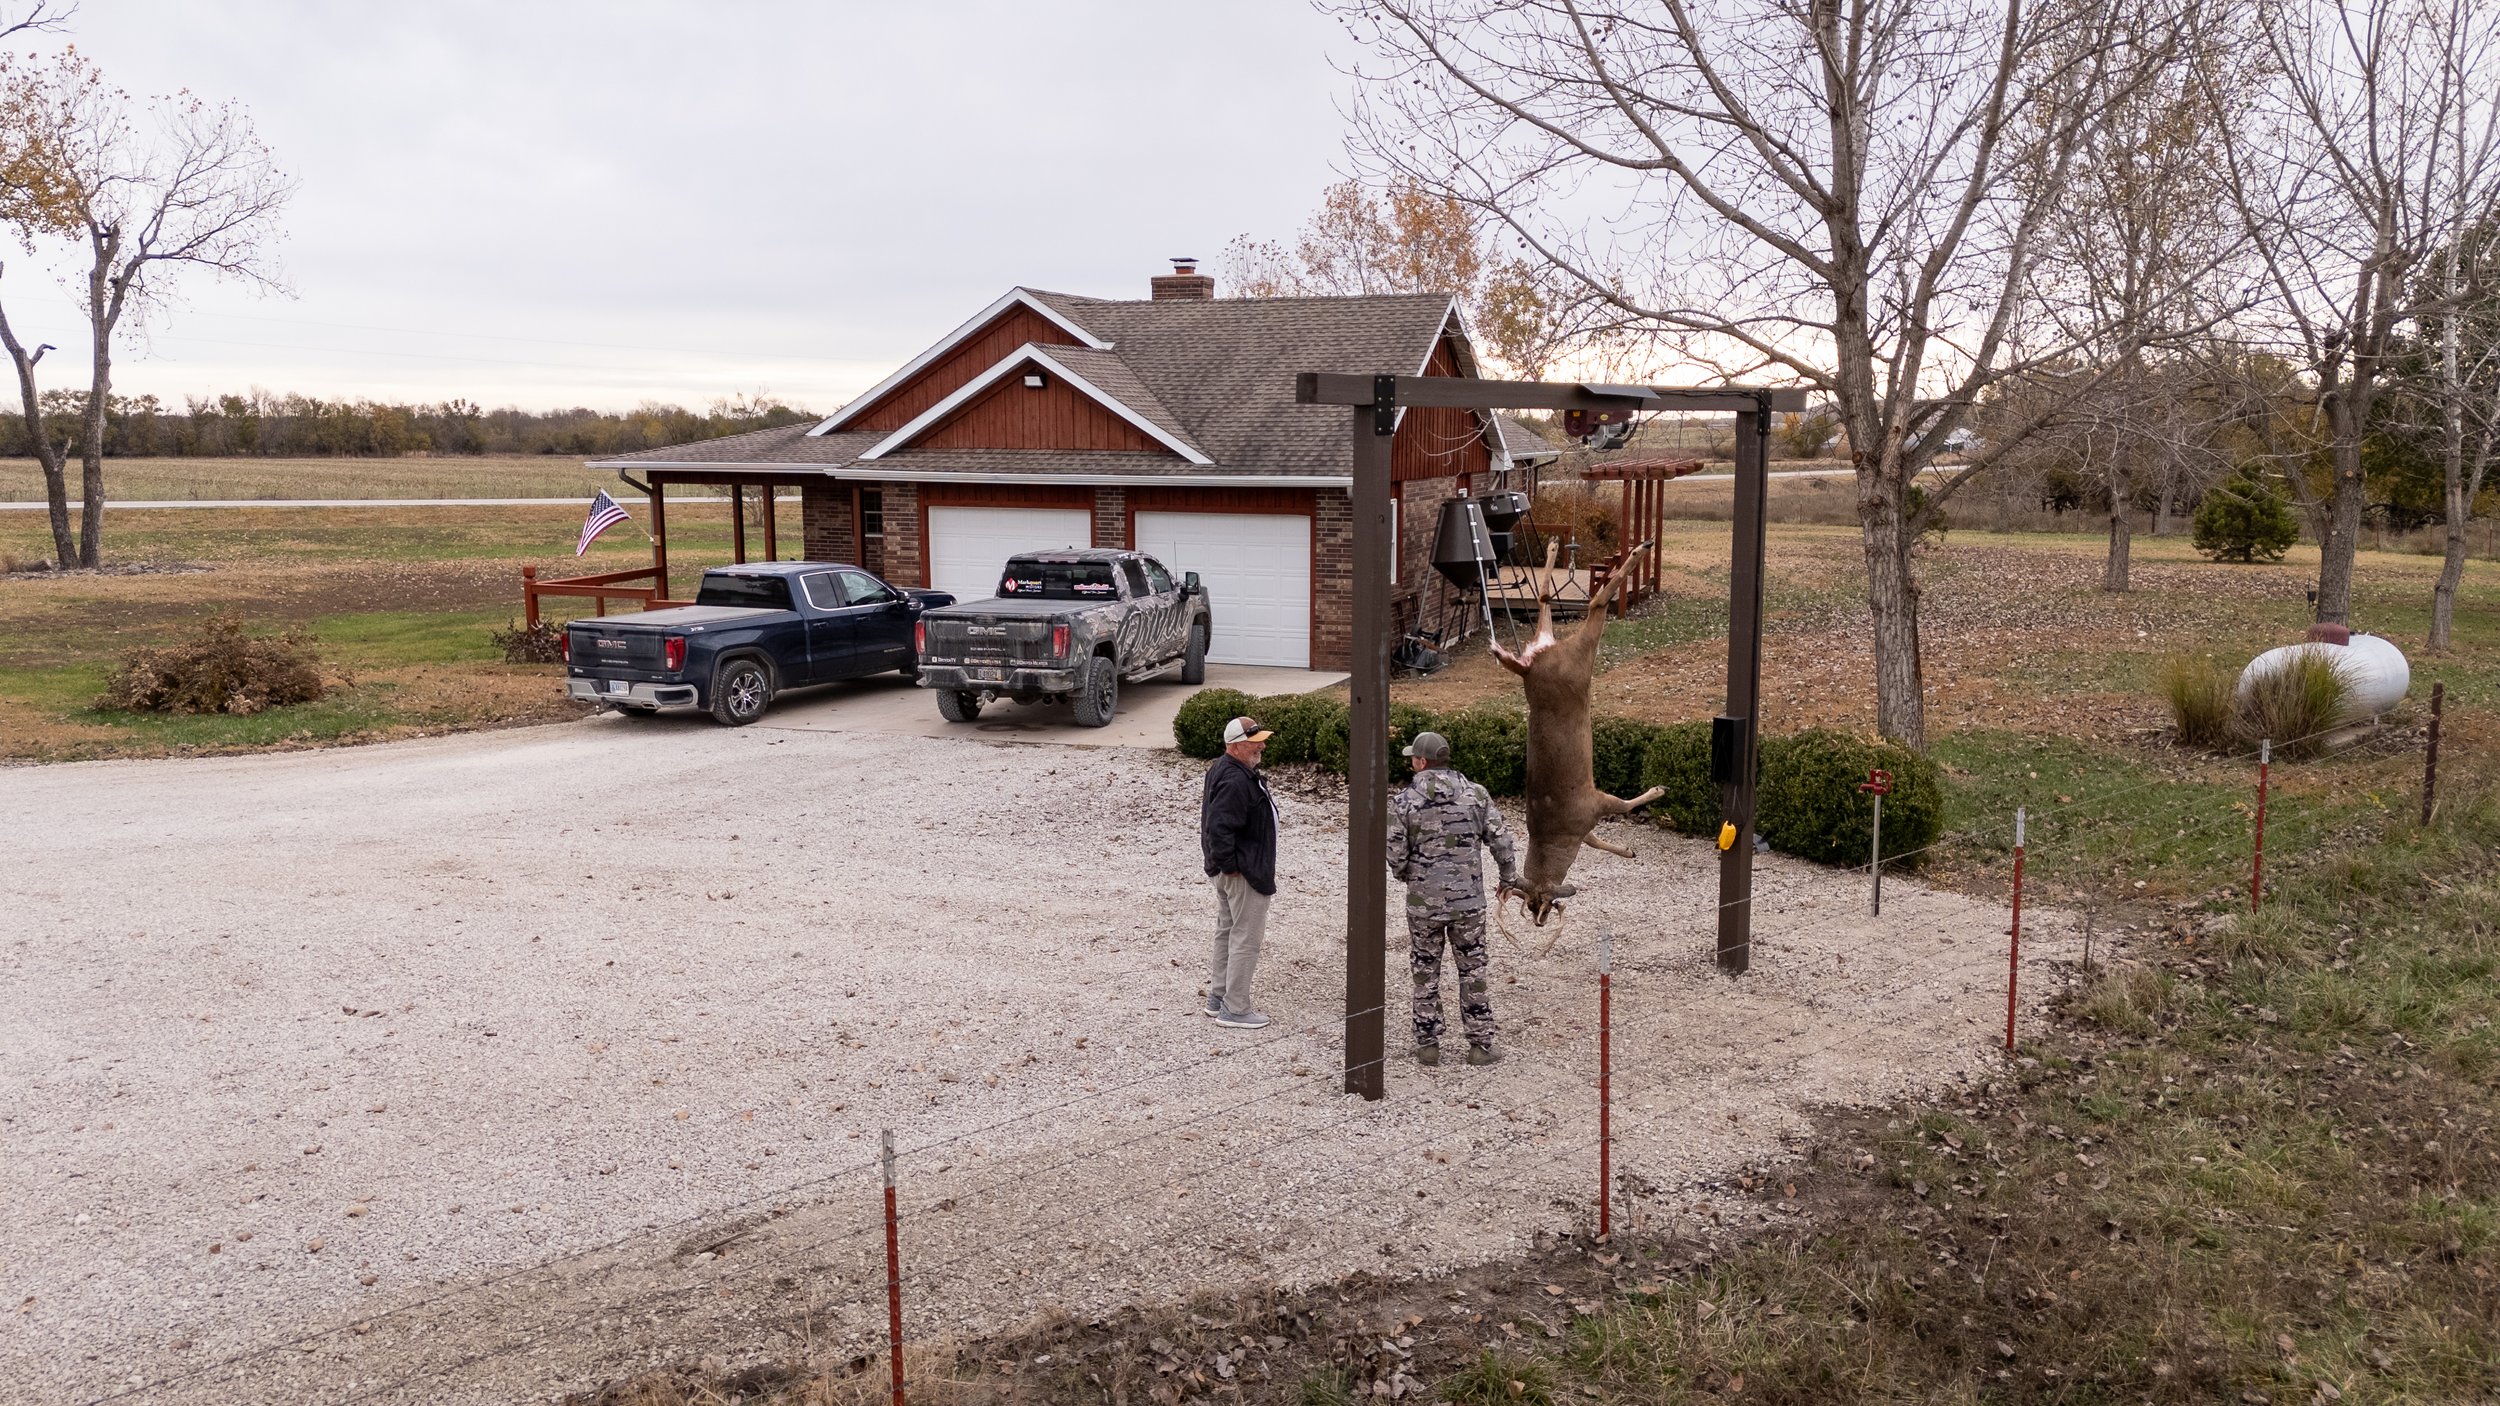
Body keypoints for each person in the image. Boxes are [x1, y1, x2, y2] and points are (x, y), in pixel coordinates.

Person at [1388, 731, 1518, 1067]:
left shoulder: (1404, 801)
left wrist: (1409, 876)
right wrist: (1507, 878)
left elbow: (1395, 853)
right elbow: (1501, 841)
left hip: (1423, 904)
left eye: (1412, 758)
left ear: (1421, 762)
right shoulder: (1476, 795)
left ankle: (1428, 1044)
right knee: (1473, 969)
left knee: (1424, 969)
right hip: (1468, 903)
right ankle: (1480, 1046)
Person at [1199, 715, 1280, 1030]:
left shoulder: (1227, 769)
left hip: (1232, 870)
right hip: (1243, 872)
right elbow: (1219, 828)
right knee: (1246, 937)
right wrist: (1231, 866)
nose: (1262, 746)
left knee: (1227, 930)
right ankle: (1235, 1008)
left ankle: (1218, 997)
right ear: (1235, 746)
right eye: (1254, 742)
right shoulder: (1235, 779)